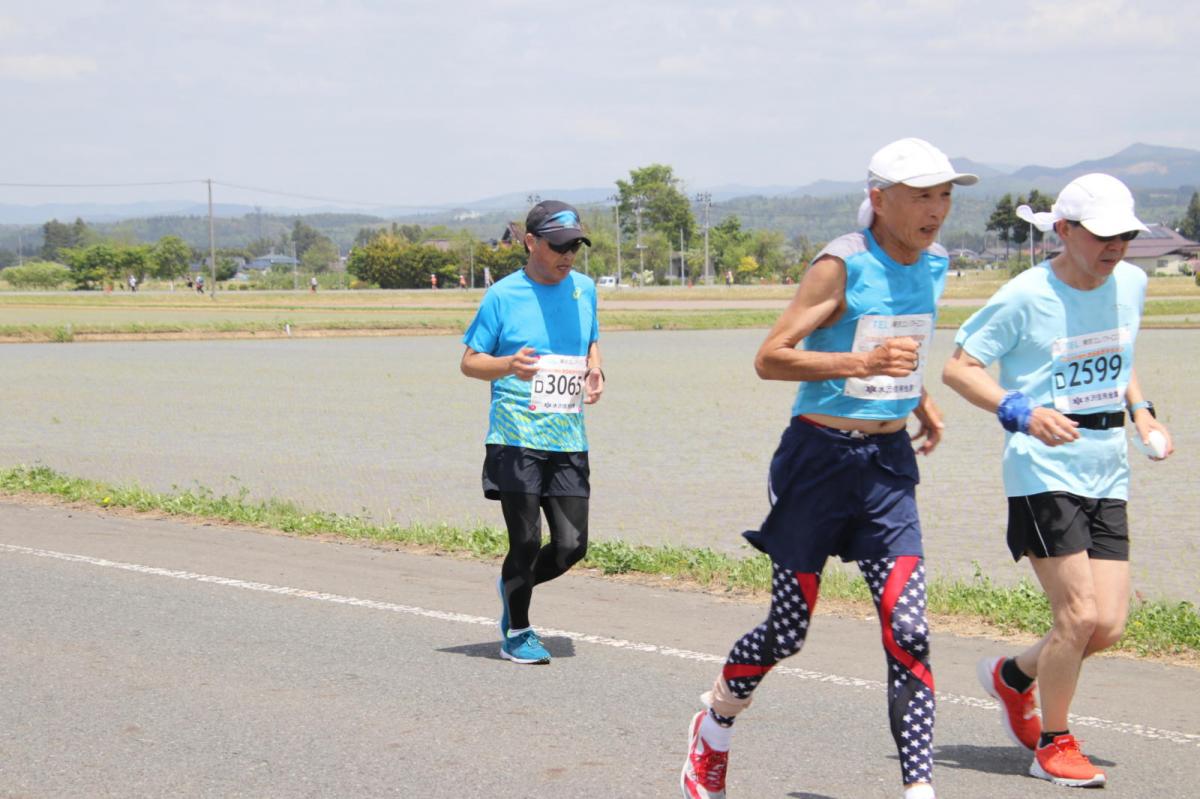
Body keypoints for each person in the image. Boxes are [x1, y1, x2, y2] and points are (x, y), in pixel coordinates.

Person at [680, 138, 978, 799]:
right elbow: (771, 358)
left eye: (946, 194)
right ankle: (717, 721)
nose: (938, 209)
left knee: (909, 628)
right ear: (879, 198)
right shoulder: (839, 265)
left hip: (887, 466)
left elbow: (905, 340)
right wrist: (859, 367)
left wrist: (919, 399)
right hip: (818, 458)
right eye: (923, 195)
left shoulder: (935, 263)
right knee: (789, 629)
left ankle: (919, 790)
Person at [942, 173, 1173, 789]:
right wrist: (1018, 410)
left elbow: (1119, 355)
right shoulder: (1024, 295)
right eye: (1102, 235)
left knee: (1108, 626)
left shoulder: (1132, 282)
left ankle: (1013, 677)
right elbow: (959, 369)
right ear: (1064, 232)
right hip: (1042, 469)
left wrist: (1142, 412)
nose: (1115, 246)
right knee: (1076, 616)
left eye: (1124, 234)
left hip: (1107, 464)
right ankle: (1053, 743)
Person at [460, 200, 605, 665]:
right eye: (558, 247)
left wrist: (595, 369)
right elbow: (469, 361)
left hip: (567, 438)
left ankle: (512, 584)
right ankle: (518, 632)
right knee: (523, 542)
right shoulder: (502, 296)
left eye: (574, 247)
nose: (568, 257)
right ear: (530, 242)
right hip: (515, 434)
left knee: (570, 547)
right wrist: (507, 365)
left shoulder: (585, 290)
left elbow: (590, 340)